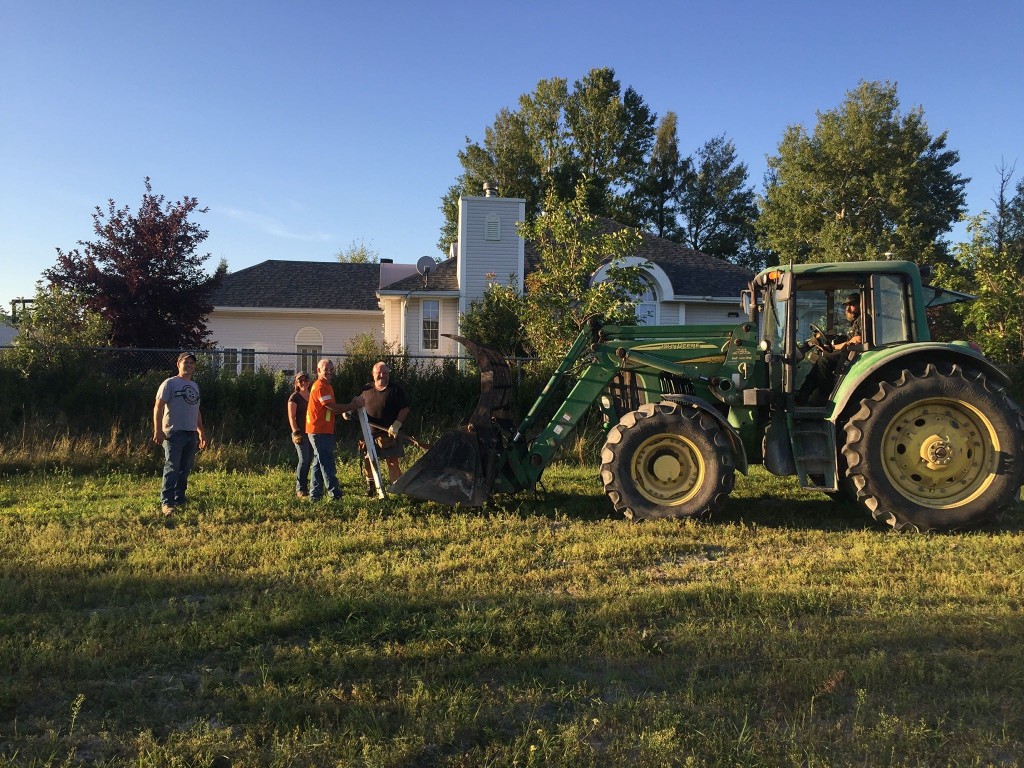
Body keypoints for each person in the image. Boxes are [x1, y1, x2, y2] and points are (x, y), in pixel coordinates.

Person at [153, 352, 207, 515]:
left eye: (192, 363)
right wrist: (157, 430)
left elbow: (196, 410)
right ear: (178, 364)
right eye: (186, 362)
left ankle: (179, 498)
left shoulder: (195, 386)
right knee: (172, 467)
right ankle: (167, 503)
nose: (189, 365)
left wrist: (201, 432)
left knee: (185, 469)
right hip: (173, 433)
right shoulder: (169, 383)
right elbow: (158, 407)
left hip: (191, 433)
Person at [305, 358, 364, 501]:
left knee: (319, 463)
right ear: (318, 371)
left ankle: (315, 496)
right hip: (319, 430)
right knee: (327, 463)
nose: (330, 372)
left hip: (321, 429)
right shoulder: (321, 386)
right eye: (327, 370)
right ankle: (335, 495)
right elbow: (332, 407)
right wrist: (353, 406)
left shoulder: (325, 385)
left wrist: (346, 408)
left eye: (332, 369)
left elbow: (332, 408)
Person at [797, 293, 864, 405]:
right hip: (848, 353)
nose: (847, 309)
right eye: (846, 305)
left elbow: (858, 339)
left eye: (851, 304)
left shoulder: (863, 320)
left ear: (860, 304)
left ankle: (825, 397)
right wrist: (831, 347)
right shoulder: (855, 323)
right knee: (820, 360)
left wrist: (836, 347)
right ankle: (803, 395)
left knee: (824, 361)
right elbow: (848, 341)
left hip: (854, 356)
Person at [358, 361, 411, 495]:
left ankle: (397, 490)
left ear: (388, 374)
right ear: (373, 374)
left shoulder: (395, 390)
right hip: (369, 434)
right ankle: (371, 488)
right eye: (379, 373)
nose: (382, 375)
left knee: (392, 462)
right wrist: (349, 411)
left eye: (385, 373)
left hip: (389, 434)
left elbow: (405, 409)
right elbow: (358, 402)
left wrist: (397, 424)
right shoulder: (366, 389)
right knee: (368, 461)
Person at [287, 371, 322, 499]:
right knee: (304, 459)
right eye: (300, 381)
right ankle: (300, 488)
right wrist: (296, 432)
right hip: (300, 433)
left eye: (305, 380)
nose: (303, 383)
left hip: (312, 431)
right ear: (296, 383)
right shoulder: (294, 397)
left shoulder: (313, 394)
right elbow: (292, 417)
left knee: (313, 460)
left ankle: (311, 486)